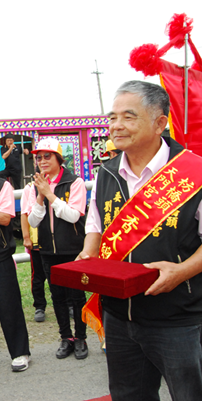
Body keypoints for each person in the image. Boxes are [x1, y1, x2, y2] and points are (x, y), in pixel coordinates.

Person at [78, 80, 202, 400]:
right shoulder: (106, 174)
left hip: (179, 318)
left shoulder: (194, 173)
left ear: (160, 122)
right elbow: (96, 224)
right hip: (119, 317)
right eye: (112, 117)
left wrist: (183, 271)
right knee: (128, 394)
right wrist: (88, 252)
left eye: (128, 117)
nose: (116, 126)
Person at [26, 137, 88, 360]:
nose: (42, 161)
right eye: (38, 157)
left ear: (58, 158)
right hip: (47, 251)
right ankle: (66, 338)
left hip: (72, 249)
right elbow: (33, 221)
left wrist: (50, 194)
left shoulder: (74, 182)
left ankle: (81, 338)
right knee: (58, 297)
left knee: (77, 296)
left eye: (47, 156)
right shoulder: (35, 186)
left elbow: (73, 215)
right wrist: (41, 195)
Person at [0, 174, 31, 371]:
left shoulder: (1, 186)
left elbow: (3, 217)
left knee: (9, 307)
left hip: (0, 258)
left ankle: (20, 352)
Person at [20, 171, 48, 323]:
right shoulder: (29, 188)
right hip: (37, 240)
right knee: (37, 276)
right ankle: (39, 306)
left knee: (60, 274)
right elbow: (24, 214)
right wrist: (26, 237)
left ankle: (69, 303)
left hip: (55, 241)